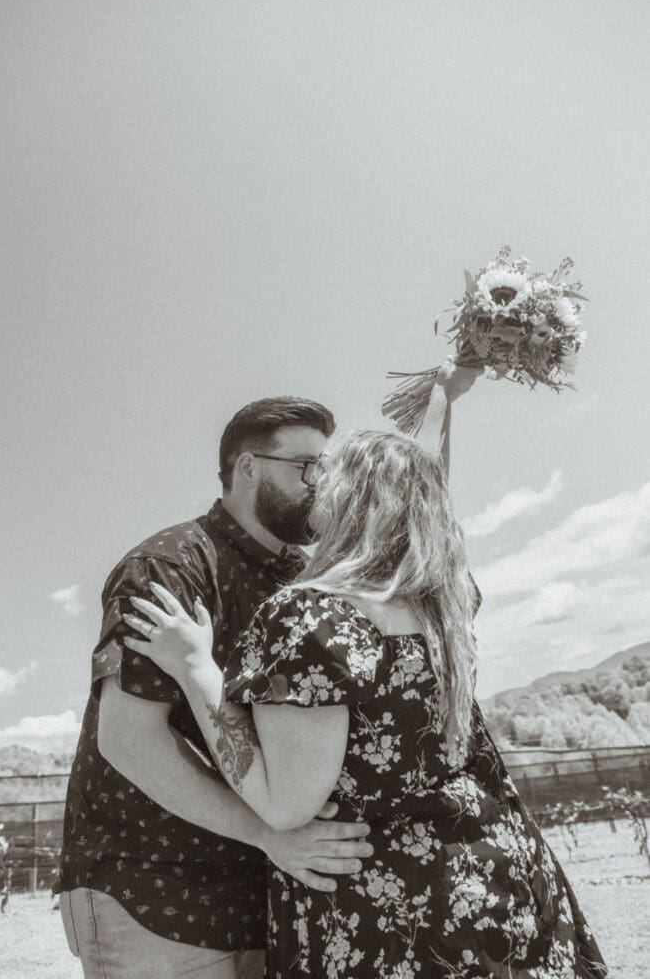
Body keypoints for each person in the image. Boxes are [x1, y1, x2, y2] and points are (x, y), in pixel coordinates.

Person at [124, 415, 609, 976]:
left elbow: (285, 806)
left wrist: (193, 668)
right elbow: (417, 478)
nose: (315, 485)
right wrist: (444, 399)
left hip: (393, 919)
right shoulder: (443, 608)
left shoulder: (310, 617)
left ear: (355, 500)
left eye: (328, 474)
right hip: (499, 883)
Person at [59, 396, 380, 979]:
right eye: (306, 467)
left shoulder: (303, 579)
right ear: (248, 468)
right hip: (152, 891)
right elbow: (128, 741)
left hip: (260, 888)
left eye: (325, 468)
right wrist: (269, 833)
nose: (322, 483)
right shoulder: (168, 567)